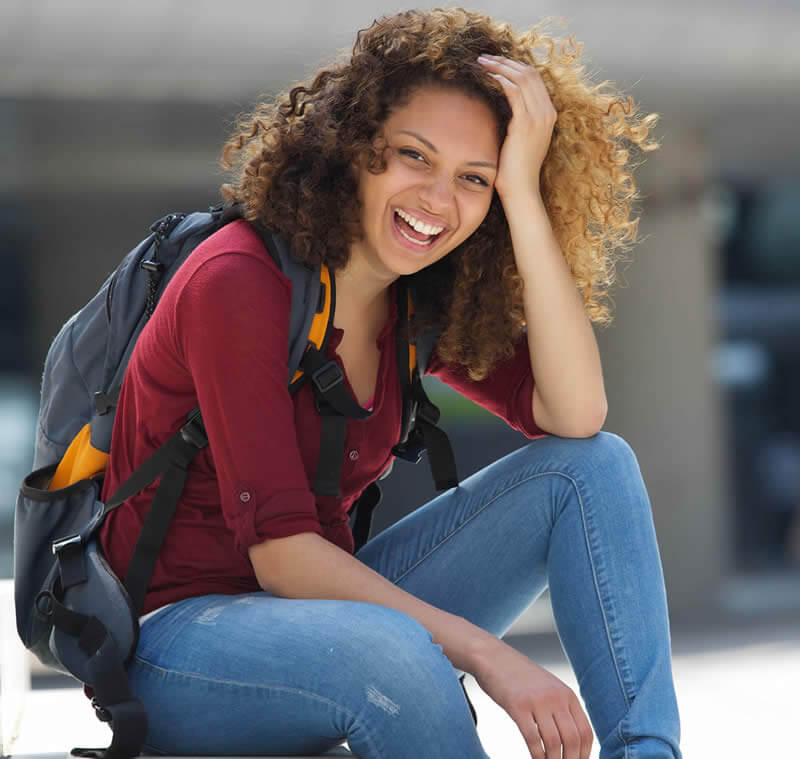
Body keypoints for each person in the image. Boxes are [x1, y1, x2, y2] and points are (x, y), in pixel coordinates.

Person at [99, 8, 681, 759]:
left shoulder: (415, 304)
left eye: (475, 178)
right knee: (396, 648)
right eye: (415, 156)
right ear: (353, 149)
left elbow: (574, 414)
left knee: (594, 467)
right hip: (178, 648)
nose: (439, 200)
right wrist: (490, 655)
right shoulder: (237, 280)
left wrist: (526, 199)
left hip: (329, 619)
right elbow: (282, 556)